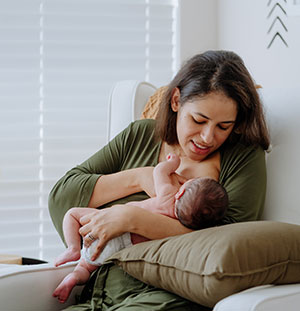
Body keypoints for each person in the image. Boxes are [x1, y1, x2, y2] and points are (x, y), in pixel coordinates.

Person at [48, 50, 270, 310]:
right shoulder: (139, 136)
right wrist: (139, 177)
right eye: (199, 120)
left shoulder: (242, 155)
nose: (208, 137)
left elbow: (229, 245)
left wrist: (132, 219)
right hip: (95, 295)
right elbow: (62, 198)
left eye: (224, 126)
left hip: (164, 298)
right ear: (176, 101)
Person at [52, 152, 228, 303]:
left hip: (106, 222)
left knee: (72, 214)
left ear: (181, 192)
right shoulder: (183, 227)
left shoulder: (168, 194)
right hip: (120, 250)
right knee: (85, 268)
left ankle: (73, 249)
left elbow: (159, 171)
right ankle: (75, 277)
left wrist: (173, 162)